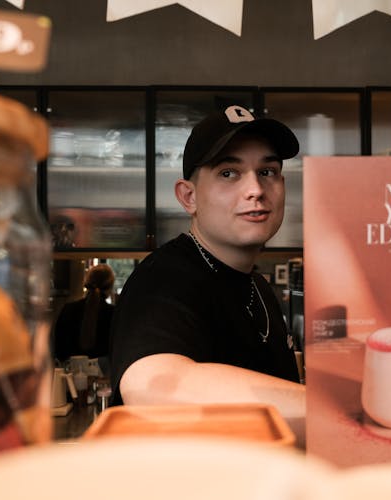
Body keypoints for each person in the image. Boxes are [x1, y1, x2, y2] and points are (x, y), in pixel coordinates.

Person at [109, 105, 305, 442]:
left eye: (268, 171)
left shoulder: (257, 286)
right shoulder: (165, 277)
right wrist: (335, 414)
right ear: (189, 197)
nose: (255, 189)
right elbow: (150, 387)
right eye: (229, 172)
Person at [53, 263, 115, 366]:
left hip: (68, 374)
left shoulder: (68, 309)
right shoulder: (113, 314)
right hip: (102, 378)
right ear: (110, 287)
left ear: (86, 283)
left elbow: (58, 349)